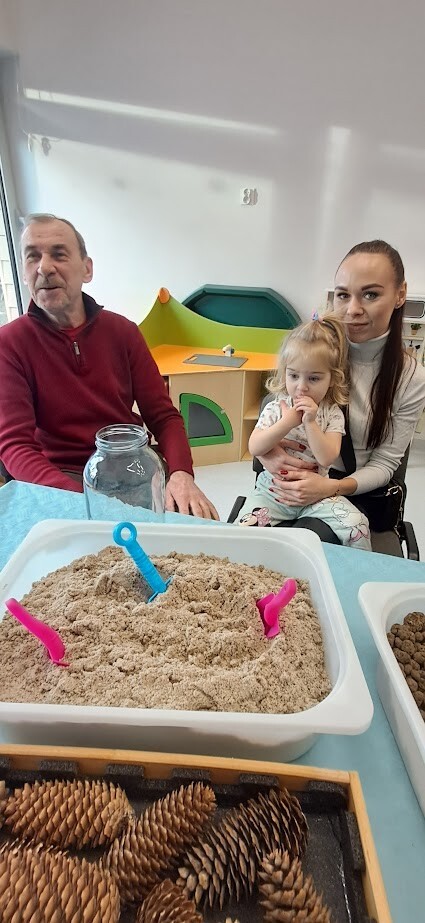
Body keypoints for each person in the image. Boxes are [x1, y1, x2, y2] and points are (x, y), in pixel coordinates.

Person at [0, 213, 218, 519]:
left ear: (87, 269)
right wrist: (85, 505)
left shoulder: (123, 331)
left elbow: (163, 416)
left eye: (59, 254)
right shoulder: (9, 343)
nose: (44, 268)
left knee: (197, 527)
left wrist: (182, 474)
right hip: (61, 475)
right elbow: (16, 446)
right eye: (32, 256)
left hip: (131, 463)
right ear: (24, 272)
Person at [258, 240, 425, 533]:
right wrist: (267, 456)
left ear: (400, 295)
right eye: (343, 295)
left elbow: (385, 464)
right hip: (290, 482)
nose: (353, 309)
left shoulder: (411, 378)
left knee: (307, 538)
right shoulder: (317, 349)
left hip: (350, 491)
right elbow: (276, 411)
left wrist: (330, 487)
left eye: (370, 294)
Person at [237, 316, 371, 550]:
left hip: (317, 497)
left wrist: (310, 422)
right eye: (293, 376)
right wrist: (287, 423)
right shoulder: (276, 408)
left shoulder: (332, 414)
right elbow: (255, 447)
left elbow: (326, 458)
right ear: (284, 374)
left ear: (332, 379)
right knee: (241, 531)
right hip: (273, 494)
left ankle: (358, 570)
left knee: (358, 526)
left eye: (314, 378)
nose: (302, 387)